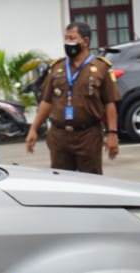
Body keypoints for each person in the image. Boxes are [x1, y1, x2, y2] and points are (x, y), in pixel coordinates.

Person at [26, 23, 120, 174]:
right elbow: (47, 101)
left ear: (85, 41)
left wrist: (112, 134)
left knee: (91, 184)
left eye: (72, 38)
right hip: (59, 136)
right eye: (66, 39)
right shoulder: (57, 67)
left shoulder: (101, 68)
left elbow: (110, 103)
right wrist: (33, 129)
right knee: (62, 185)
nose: (68, 43)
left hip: (88, 136)